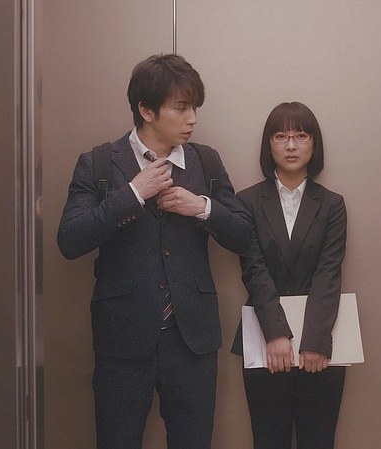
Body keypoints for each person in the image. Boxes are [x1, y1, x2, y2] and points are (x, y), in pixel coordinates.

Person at [57, 53, 252, 449]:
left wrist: (203, 207)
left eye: (195, 107)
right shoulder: (98, 163)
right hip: (123, 339)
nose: (192, 118)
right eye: (181, 107)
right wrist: (133, 193)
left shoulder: (206, 161)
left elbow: (245, 236)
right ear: (146, 110)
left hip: (192, 340)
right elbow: (70, 240)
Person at [231, 102, 348, 449]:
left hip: (321, 343)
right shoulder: (247, 202)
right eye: (281, 136)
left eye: (301, 136)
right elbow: (254, 270)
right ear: (269, 144)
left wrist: (314, 341)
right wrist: (276, 333)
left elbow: (329, 273)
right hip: (265, 339)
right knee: (268, 440)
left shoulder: (332, 204)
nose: (292, 145)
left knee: (318, 441)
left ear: (314, 144)